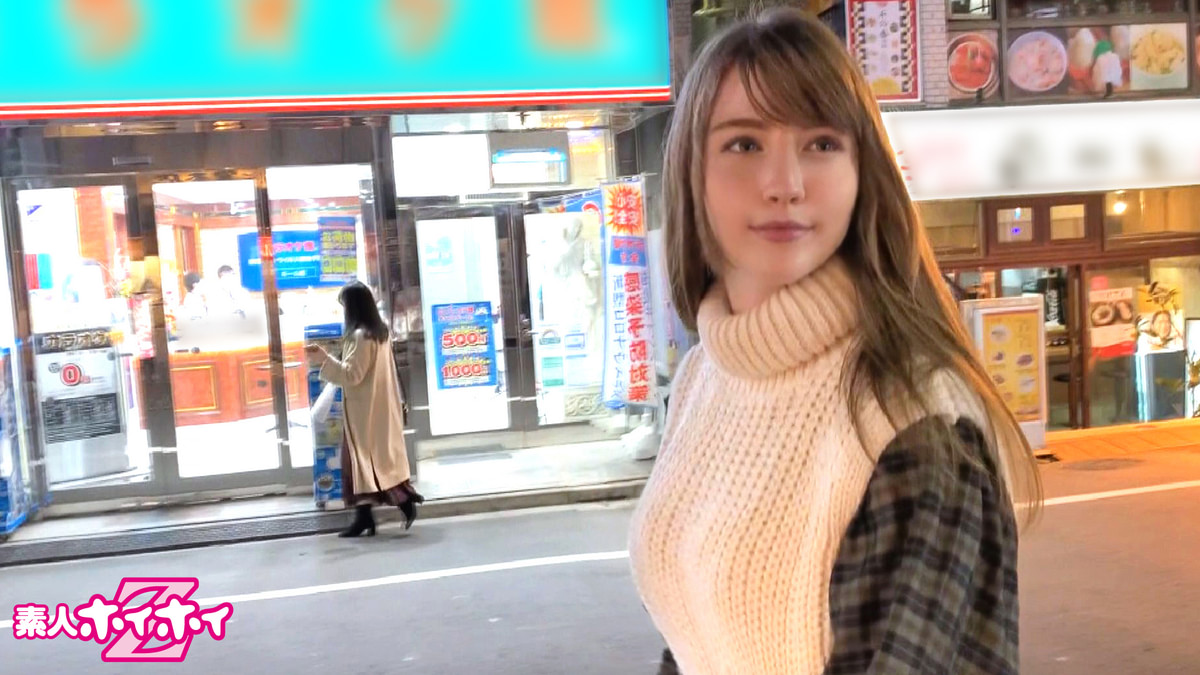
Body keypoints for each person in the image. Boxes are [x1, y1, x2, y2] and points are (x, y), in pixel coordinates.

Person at [627, 9, 1043, 675]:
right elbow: (693, 635)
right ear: (692, 175)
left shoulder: (914, 423)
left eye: (821, 143)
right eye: (744, 144)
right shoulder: (703, 377)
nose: (785, 185)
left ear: (860, 172)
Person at [305, 281, 423, 536]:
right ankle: (373, 514)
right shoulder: (380, 332)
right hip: (381, 407)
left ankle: (393, 505)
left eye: (344, 306)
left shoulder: (360, 336)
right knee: (374, 463)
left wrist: (324, 358)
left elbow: (352, 375)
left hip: (363, 412)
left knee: (359, 464)